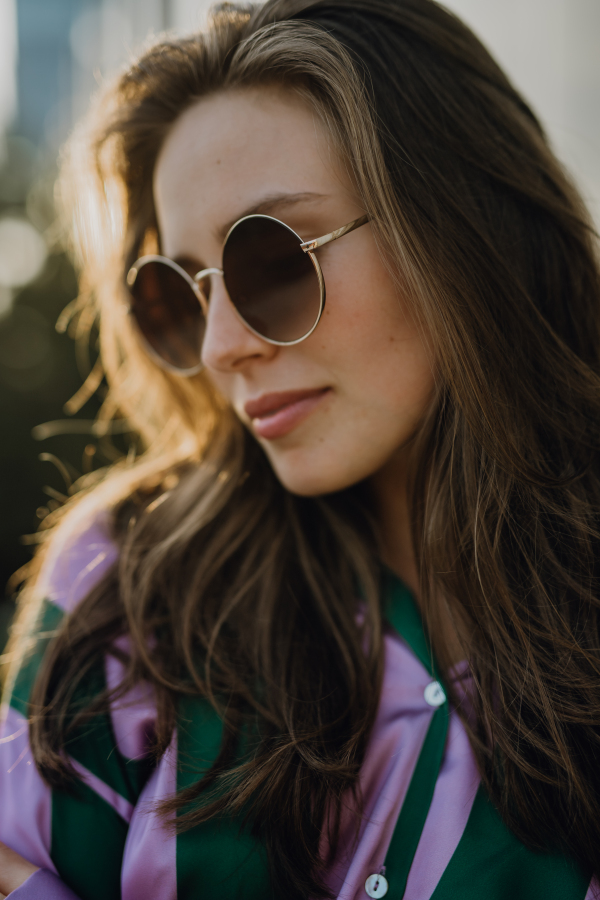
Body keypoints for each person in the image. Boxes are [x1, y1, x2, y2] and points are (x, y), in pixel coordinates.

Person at [2, 0, 600, 897]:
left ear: (460, 229)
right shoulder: (130, 591)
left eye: (273, 261)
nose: (218, 349)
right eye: (181, 295)